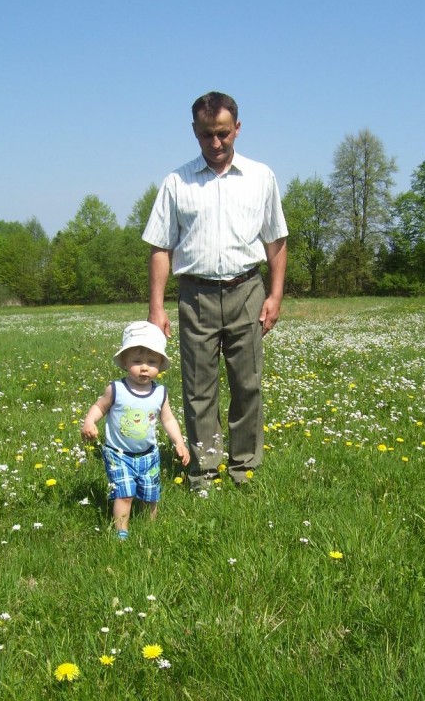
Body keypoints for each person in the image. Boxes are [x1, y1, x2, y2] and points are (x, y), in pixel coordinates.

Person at [143, 91, 288, 489]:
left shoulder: (261, 177)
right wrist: (156, 308)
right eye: (207, 135)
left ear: (237, 129)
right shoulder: (177, 183)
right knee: (198, 389)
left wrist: (275, 295)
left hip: (247, 290)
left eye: (223, 133)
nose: (216, 143)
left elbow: (276, 240)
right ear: (194, 132)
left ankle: (244, 468)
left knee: (248, 385)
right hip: (196, 295)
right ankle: (204, 470)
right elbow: (160, 246)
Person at [81, 321, 190, 539]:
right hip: (118, 454)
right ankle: (122, 532)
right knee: (125, 494)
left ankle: (151, 527)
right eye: (137, 361)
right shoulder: (116, 389)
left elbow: (168, 419)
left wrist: (178, 442)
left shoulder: (160, 393)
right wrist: (90, 422)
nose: (144, 367)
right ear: (124, 362)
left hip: (148, 454)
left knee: (151, 495)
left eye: (151, 361)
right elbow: (100, 406)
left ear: (160, 364)